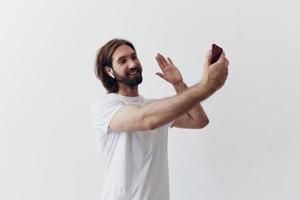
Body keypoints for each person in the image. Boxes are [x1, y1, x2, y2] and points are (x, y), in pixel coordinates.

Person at [90, 38, 229, 200]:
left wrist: (179, 84)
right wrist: (207, 86)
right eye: (123, 61)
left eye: (134, 57)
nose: (133, 64)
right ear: (109, 71)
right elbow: (147, 121)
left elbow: (198, 120)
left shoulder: (153, 107)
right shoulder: (104, 106)